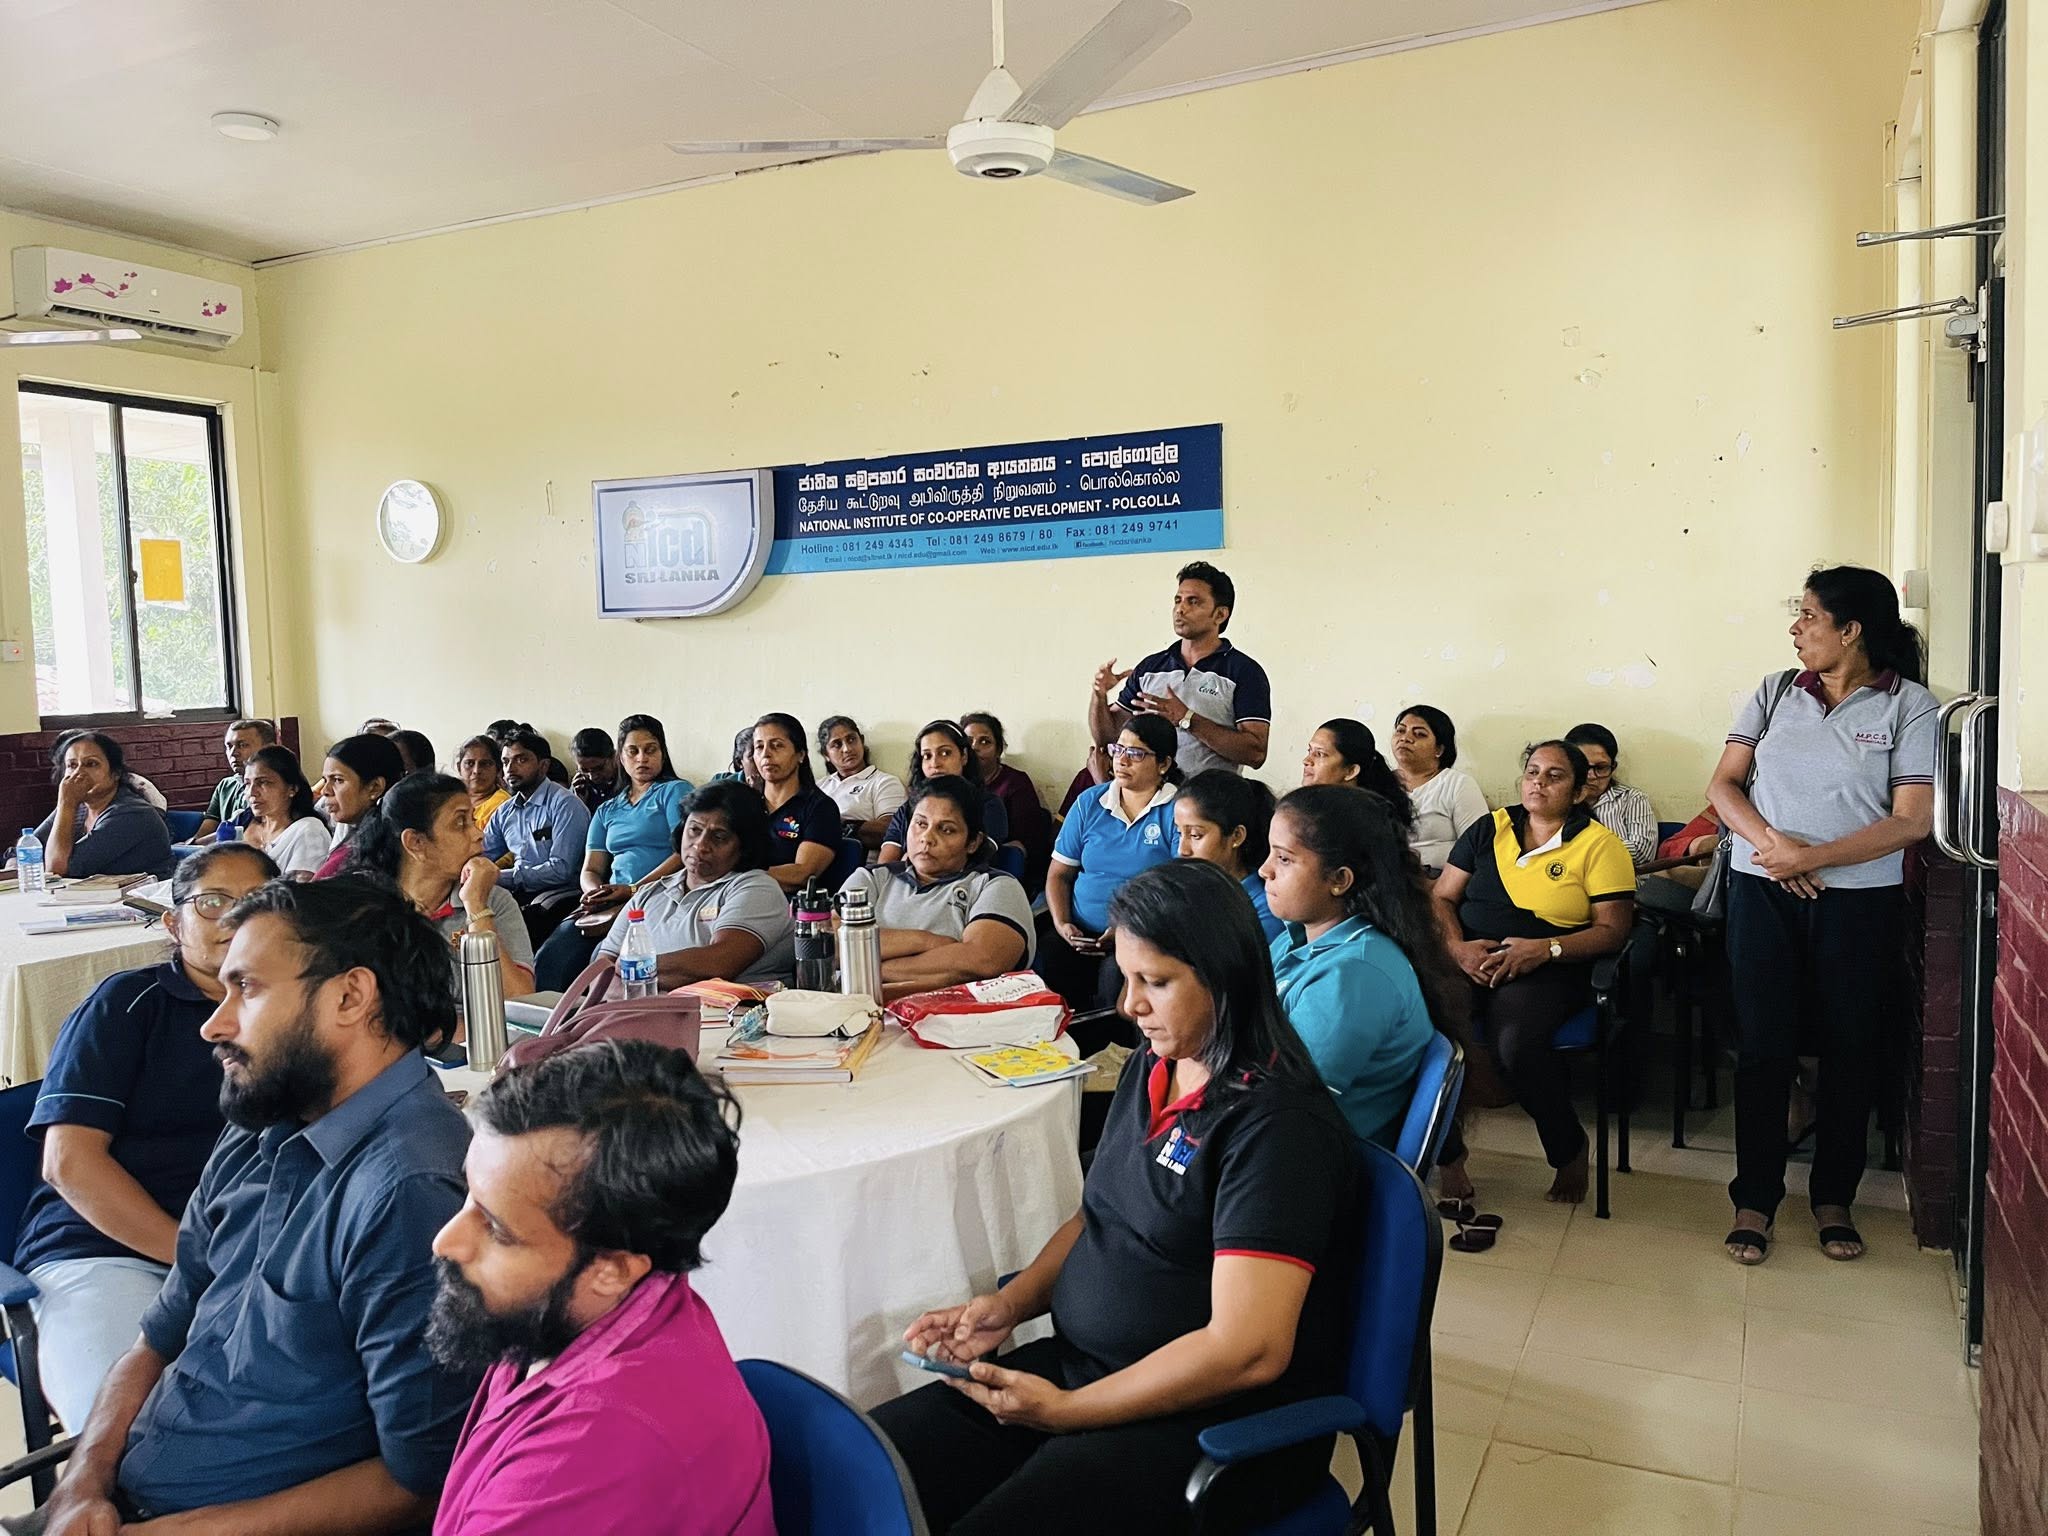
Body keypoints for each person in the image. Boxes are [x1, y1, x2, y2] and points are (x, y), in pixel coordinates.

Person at [871, 860, 1355, 1533]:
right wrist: (1008, 1306)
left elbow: (1248, 1349)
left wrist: (1067, 1413)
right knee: (870, 1468)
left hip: (1211, 1425)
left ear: (1226, 977)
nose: (1130, 1005)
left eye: (1155, 982)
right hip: (1086, 1371)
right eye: (1127, 978)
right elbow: (1096, 1217)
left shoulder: (1277, 1128)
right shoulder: (1158, 1065)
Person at [15, 877, 476, 1535]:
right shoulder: (262, 1125)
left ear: (350, 996)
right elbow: (155, 1339)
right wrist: (82, 1483)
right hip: (124, 1497)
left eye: (248, 989)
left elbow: (423, 1482)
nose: (214, 1024)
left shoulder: (408, 1191)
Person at [426, 1041, 773, 1535]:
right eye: (469, 1196)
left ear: (613, 1269)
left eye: (498, 1230)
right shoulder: (562, 1314)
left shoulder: (588, 1452)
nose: (446, 1242)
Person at [1708, 565, 1937, 1265]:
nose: (1796, 628)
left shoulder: (1909, 705)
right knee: (1764, 1046)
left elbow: (1911, 820)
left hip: (1859, 902)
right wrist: (1776, 849)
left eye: (1809, 615)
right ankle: (1755, 1197)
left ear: (1851, 629)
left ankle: (1834, 1197)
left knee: (1850, 1046)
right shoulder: (1777, 690)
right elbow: (1723, 785)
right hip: (1762, 892)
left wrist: (1813, 858)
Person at [12, 844, 279, 1432]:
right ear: (173, 923)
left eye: (256, 902)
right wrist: (194, 1258)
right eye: (212, 902)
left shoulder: (293, 1014)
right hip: (106, 1253)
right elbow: (69, 1163)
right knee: (133, 1436)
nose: (235, 918)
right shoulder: (126, 1006)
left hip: (256, 1256)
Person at [1432, 741, 1636, 1205]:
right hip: (1472, 957)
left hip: (1551, 965)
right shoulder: (1490, 828)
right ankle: (1449, 1157)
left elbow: (1613, 931)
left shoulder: (1599, 846)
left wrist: (1545, 949)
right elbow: (1442, 897)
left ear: (1580, 791)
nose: (1538, 783)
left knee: (1516, 1045)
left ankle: (1568, 1149)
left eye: (1554, 776)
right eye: (1532, 772)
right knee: (1420, 1032)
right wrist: (1457, 949)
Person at [1263, 787, 1449, 1146]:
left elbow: (1284, 1101)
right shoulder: (1295, 937)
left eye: (1284, 859)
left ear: (1339, 880)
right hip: (1283, 1132)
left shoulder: (1353, 975)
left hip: (1315, 1152)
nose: (1264, 869)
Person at [532, 716, 694, 992]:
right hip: (610, 901)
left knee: (604, 961)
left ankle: (599, 1016)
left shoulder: (674, 791)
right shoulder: (608, 809)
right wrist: (595, 893)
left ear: (663, 753)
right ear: (621, 757)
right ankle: (554, 1018)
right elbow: (591, 869)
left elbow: (684, 854)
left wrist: (633, 890)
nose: (642, 758)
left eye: (650, 750)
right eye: (633, 751)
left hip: (659, 896)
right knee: (552, 956)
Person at [840, 779, 1035, 1002]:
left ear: (973, 842)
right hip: (853, 1011)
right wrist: (925, 941)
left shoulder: (994, 885)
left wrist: (871, 969)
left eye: (947, 829)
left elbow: (982, 960)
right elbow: (830, 941)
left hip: (957, 1017)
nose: (927, 838)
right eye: (920, 824)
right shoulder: (872, 878)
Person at [345, 773, 537, 1000]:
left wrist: (477, 908)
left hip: (484, 1023)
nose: (479, 834)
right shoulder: (370, 908)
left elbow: (520, 998)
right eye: (460, 823)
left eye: (473, 820)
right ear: (416, 843)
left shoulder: (493, 900)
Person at [593, 783, 796, 991]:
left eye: (719, 837)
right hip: (634, 1007)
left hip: (725, 1009)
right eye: (694, 830)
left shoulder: (757, 888)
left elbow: (719, 964)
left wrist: (634, 968)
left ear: (745, 846)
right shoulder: (649, 893)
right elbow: (602, 967)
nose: (700, 845)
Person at [1042, 715, 1180, 1008]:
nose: (1122, 760)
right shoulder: (1090, 802)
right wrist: (1063, 923)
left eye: (1136, 753)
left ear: (1164, 764)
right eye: (1119, 749)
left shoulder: (1176, 810)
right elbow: (1059, 874)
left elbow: (1179, 889)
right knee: (1049, 956)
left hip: (1145, 933)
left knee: (1115, 975)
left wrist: (1126, 930)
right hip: (1079, 932)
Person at [1089, 560, 1272, 778]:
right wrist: (1099, 696)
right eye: (1178, 600)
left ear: (1220, 615)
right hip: (1151, 796)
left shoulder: (1244, 671)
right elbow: (1107, 738)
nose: (1180, 609)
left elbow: (1256, 754)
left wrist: (1187, 718)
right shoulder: (1150, 668)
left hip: (1208, 796)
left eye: (1193, 601)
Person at [29, 732, 174, 880]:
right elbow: (28, 850)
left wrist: (66, 804)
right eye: (72, 765)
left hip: (142, 894)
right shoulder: (78, 807)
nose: (78, 773)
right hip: (90, 893)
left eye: (91, 764)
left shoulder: (133, 814)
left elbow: (57, 869)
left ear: (115, 773)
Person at [483, 728, 593, 915]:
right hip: (519, 891)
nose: (510, 769)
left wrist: (497, 877)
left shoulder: (566, 805)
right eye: (506, 761)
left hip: (563, 894)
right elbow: (482, 853)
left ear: (543, 766)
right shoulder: (505, 811)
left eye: (521, 760)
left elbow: (561, 870)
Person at [877, 721, 1010, 864]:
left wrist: (913, 860)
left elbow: (975, 860)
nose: (935, 763)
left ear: (964, 756)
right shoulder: (906, 809)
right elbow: (885, 866)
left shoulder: (989, 805)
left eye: (945, 753)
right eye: (927, 756)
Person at [1172, 769, 1281, 941]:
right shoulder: (1187, 891)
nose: (1182, 850)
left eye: (1195, 835)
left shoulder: (1262, 912)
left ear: (1236, 836)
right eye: (1179, 833)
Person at [1390, 705, 1491, 876]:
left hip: (1440, 879)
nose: (1405, 738)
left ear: (1439, 750)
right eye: (1400, 731)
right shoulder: (1379, 783)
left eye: (1419, 734)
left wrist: (1442, 887)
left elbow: (1478, 848)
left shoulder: (1458, 784)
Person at [750, 712, 841, 893]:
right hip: (736, 895)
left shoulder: (820, 807)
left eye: (777, 745)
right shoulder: (745, 803)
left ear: (800, 755)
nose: (766, 754)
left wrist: (741, 877)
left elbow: (803, 874)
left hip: (788, 903)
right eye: (759, 747)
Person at [963, 711, 1051, 885]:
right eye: (968, 741)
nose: (975, 747)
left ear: (999, 749)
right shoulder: (954, 782)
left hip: (999, 865)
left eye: (984, 741)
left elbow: (1025, 843)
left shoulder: (1015, 783)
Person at [313, 732, 410, 879]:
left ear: (375, 787)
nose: (325, 791)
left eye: (338, 780)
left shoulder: (367, 853)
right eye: (325, 780)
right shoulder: (358, 836)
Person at [1566, 722, 1657, 870]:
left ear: (1613, 767)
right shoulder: (1556, 800)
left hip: (1620, 878)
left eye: (1601, 768)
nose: (1591, 776)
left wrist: (1582, 849)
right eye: (1583, 767)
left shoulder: (1632, 799)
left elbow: (1642, 853)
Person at [237, 744, 330, 877]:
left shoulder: (308, 832)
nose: (251, 792)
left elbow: (301, 888)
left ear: (292, 788)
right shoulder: (244, 821)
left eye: (263, 782)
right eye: (247, 783)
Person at [1299, 718, 1413, 827]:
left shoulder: (1364, 823)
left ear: (1351, 771)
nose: (1306, 761)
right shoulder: (1307, 809)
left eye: (1320, 754)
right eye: (1310, 751)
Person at [818, 715, 907, 851]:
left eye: (851, 739)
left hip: (862, 861)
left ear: (862, 741)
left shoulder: (884, 783)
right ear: (826, 754)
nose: (847, 749)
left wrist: (841, 824)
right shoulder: (819, 787)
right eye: (837, 744)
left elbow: (892, 831)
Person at [194, 719, 275, 841]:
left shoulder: (272, 788)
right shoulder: (225, 785)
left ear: (268, 748)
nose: (233, 753)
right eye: (229, 746)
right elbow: (209, 826)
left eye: (243, 745)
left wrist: (195, 846)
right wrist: (190, 844)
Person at [457, 734, 511, 831]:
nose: (476, 771)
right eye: (470, 763)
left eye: (485, 764)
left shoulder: (504, 807)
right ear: (459, 768)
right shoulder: (450, 800)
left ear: (498, 769)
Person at [570, 727, 619, 813]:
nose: (592, 777)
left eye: (599, 768)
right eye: (584, 770)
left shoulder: (631, 782)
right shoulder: (579, 786)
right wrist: (579, 803)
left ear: (614, 757)